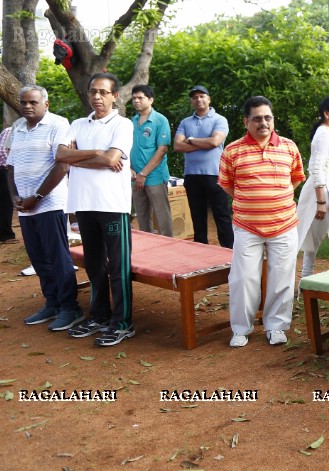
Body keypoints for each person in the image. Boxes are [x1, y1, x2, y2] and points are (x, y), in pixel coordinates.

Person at [219, 96, 305, 347]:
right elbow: (227, 184)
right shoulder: (232, 150)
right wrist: (251, 202)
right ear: (246, 121)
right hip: (247, 226)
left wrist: (275, 199)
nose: (263, 123)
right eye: (257, 118)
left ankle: (276, 326)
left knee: (282, 277)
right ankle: (240, 329)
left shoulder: (289, 147)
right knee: (243, 278)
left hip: (284, 225)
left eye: (268, 118)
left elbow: (296, 177)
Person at [56, 73, 135, 347]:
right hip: (84, 205)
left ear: (115, 96)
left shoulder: (122, 124)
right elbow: (61, 156)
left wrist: (80, 156)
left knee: (118, 267)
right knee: (94, 265)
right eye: (93, 91)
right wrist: (97, 153)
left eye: (103, 92)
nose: (97, 97)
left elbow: (112, 159)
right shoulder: (78, 123)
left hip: (112, 206)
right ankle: (100, 316)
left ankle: (123, 322)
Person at [7, 85, 82, 331]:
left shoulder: (59, 124)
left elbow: (62, 166)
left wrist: (37, 196)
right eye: (24, 102)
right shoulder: (17, 128)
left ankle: (70, 307)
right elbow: (10, 167)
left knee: (58, 257)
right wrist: (15, 197)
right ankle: (52, 302)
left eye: (33, 102)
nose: (27, 106)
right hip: (25, 206)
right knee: (38, 257)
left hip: (50, 203)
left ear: (46, 104)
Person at [174, 85, 233, 248]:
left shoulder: (219, 120)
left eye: (202, 96)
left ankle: (229, 251)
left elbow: (215, 141)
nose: (198, 99)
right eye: (195, 97)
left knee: (221, 215)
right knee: (197, 217)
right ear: (191, 101)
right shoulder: (185, 122)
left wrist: (190, 139)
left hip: (215, 174)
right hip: (192, 176)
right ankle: (201, 252)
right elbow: (177, 146)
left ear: (209, 99)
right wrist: (204, 143)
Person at [296, 96, 329, 277]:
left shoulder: (328, 133)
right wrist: (320, 200)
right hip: (324, 193)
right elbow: (316, 166)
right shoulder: (324, 134)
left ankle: (306, 280)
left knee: (314, 238)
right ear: (327, 114)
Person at [129, 85, 173, 236]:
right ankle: (148, 247)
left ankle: (168, 247)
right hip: (135, 177)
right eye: (134, 98)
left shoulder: (160, 120)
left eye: (140, 98)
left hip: (154, 176)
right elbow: (127, 147)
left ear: (151, 100)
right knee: (142, 215)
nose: (136, 101)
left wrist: (144, 174)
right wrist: (130, 169)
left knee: (161, 215)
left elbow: (162, 150)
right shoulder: (132, 121)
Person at [0, 125, 18, 243]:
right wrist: (11, 167)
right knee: (6, 202)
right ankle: (5, 235)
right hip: (4, 169)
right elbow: (2, 150)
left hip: (6, 169)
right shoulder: (11, 130)